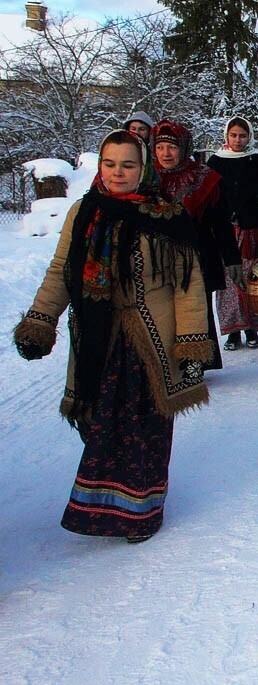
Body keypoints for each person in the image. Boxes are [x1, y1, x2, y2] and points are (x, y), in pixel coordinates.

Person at [12, 130, 211, 543]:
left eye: (128, 165)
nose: (118, 173)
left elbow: (187, 285)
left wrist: (192, 341)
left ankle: (140, 512)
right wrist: (40, 320)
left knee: (143, 426)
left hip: (150, 341)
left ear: (144, 169)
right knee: (99, 423)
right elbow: (61, 273)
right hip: (97, 336)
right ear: (99, 166)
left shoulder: (167, 216)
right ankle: (101, 507)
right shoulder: (83, 212)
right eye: (110, 163)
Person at [152, 119, 240, 371]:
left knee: (194, 310)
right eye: (160, 147)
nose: (166, 154)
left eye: (172, 147)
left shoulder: (205, 179)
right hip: (158, 257)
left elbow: (220, 224)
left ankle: (196, 361)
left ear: (184, 147)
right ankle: (165, 360)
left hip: (197, 256)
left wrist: (231, 258)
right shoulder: (146, 178)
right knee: (163, 311)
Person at [207, 116, 258, 351]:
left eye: (242, 135)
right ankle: (232, 332)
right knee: (227, 284)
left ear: (249, 137)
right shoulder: (215, 162)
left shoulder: (257, 161)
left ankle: (251, 328)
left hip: (250, 229)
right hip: (224, 231)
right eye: (234, 135)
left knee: (249, 279)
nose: (238, 140)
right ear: (226, 136)